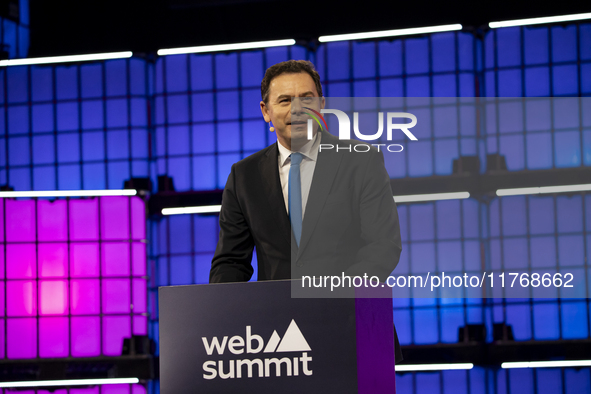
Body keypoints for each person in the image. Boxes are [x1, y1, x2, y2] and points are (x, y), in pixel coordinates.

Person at [209, 59, 403, 362]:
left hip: (352, 327)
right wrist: (225, 318)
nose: (297, 109)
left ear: (322, 105)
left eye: (306, 98)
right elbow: (230, 262)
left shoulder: (361, 161)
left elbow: (383, 247)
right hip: (273, 340)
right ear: (266, 111)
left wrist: (330, 299)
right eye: (285, 100)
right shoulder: (242, 175)